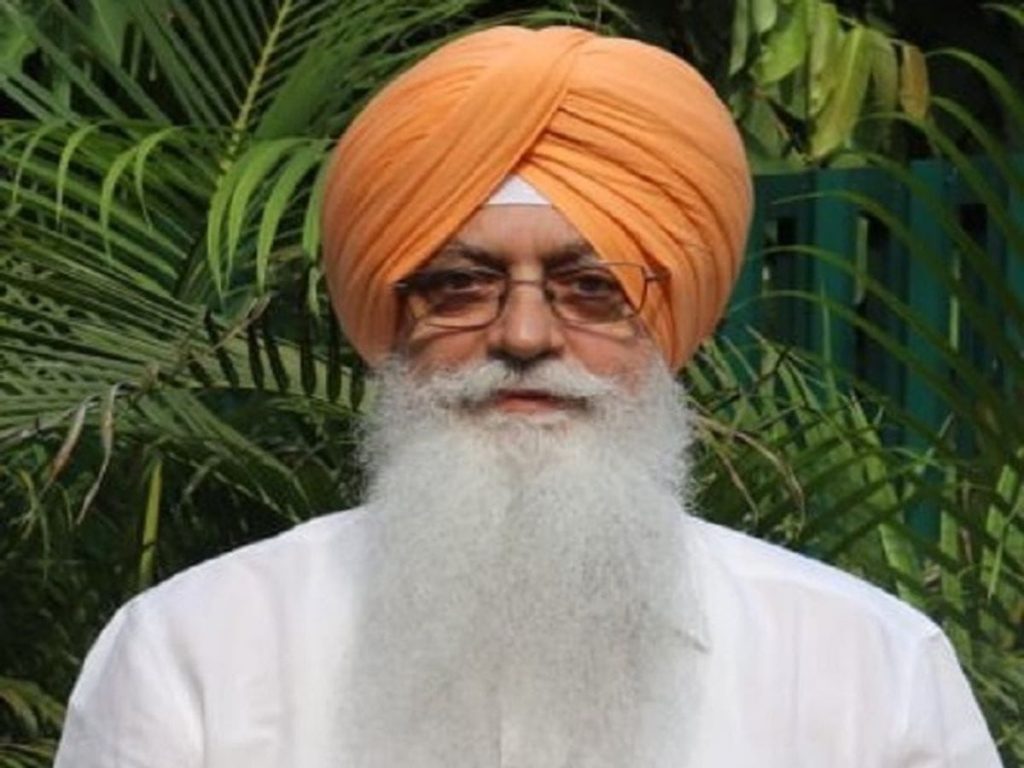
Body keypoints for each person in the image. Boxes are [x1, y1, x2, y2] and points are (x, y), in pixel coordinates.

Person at [54, 25, 1001, 768]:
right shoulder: (195, 651)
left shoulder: (864, 666)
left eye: (592, 288)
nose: (523, 335)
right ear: (391, 322)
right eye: (459, 285)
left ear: (668, 324)